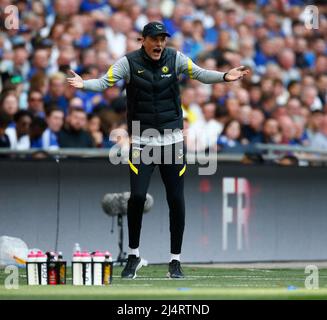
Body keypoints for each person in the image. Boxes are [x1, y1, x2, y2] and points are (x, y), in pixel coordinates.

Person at [67, 21, 249, 279]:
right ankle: (133, 256)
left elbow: (198, 73)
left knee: (176, 200)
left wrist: (223, 77)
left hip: (173, 141)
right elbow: (104, 82)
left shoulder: (175, 58)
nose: (160, 43)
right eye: (155, 39)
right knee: (137, 197)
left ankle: (175, 260)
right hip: (142, 142)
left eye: (163, 39)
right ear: (143, 40)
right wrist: (84, 84)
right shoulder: (128, 63)